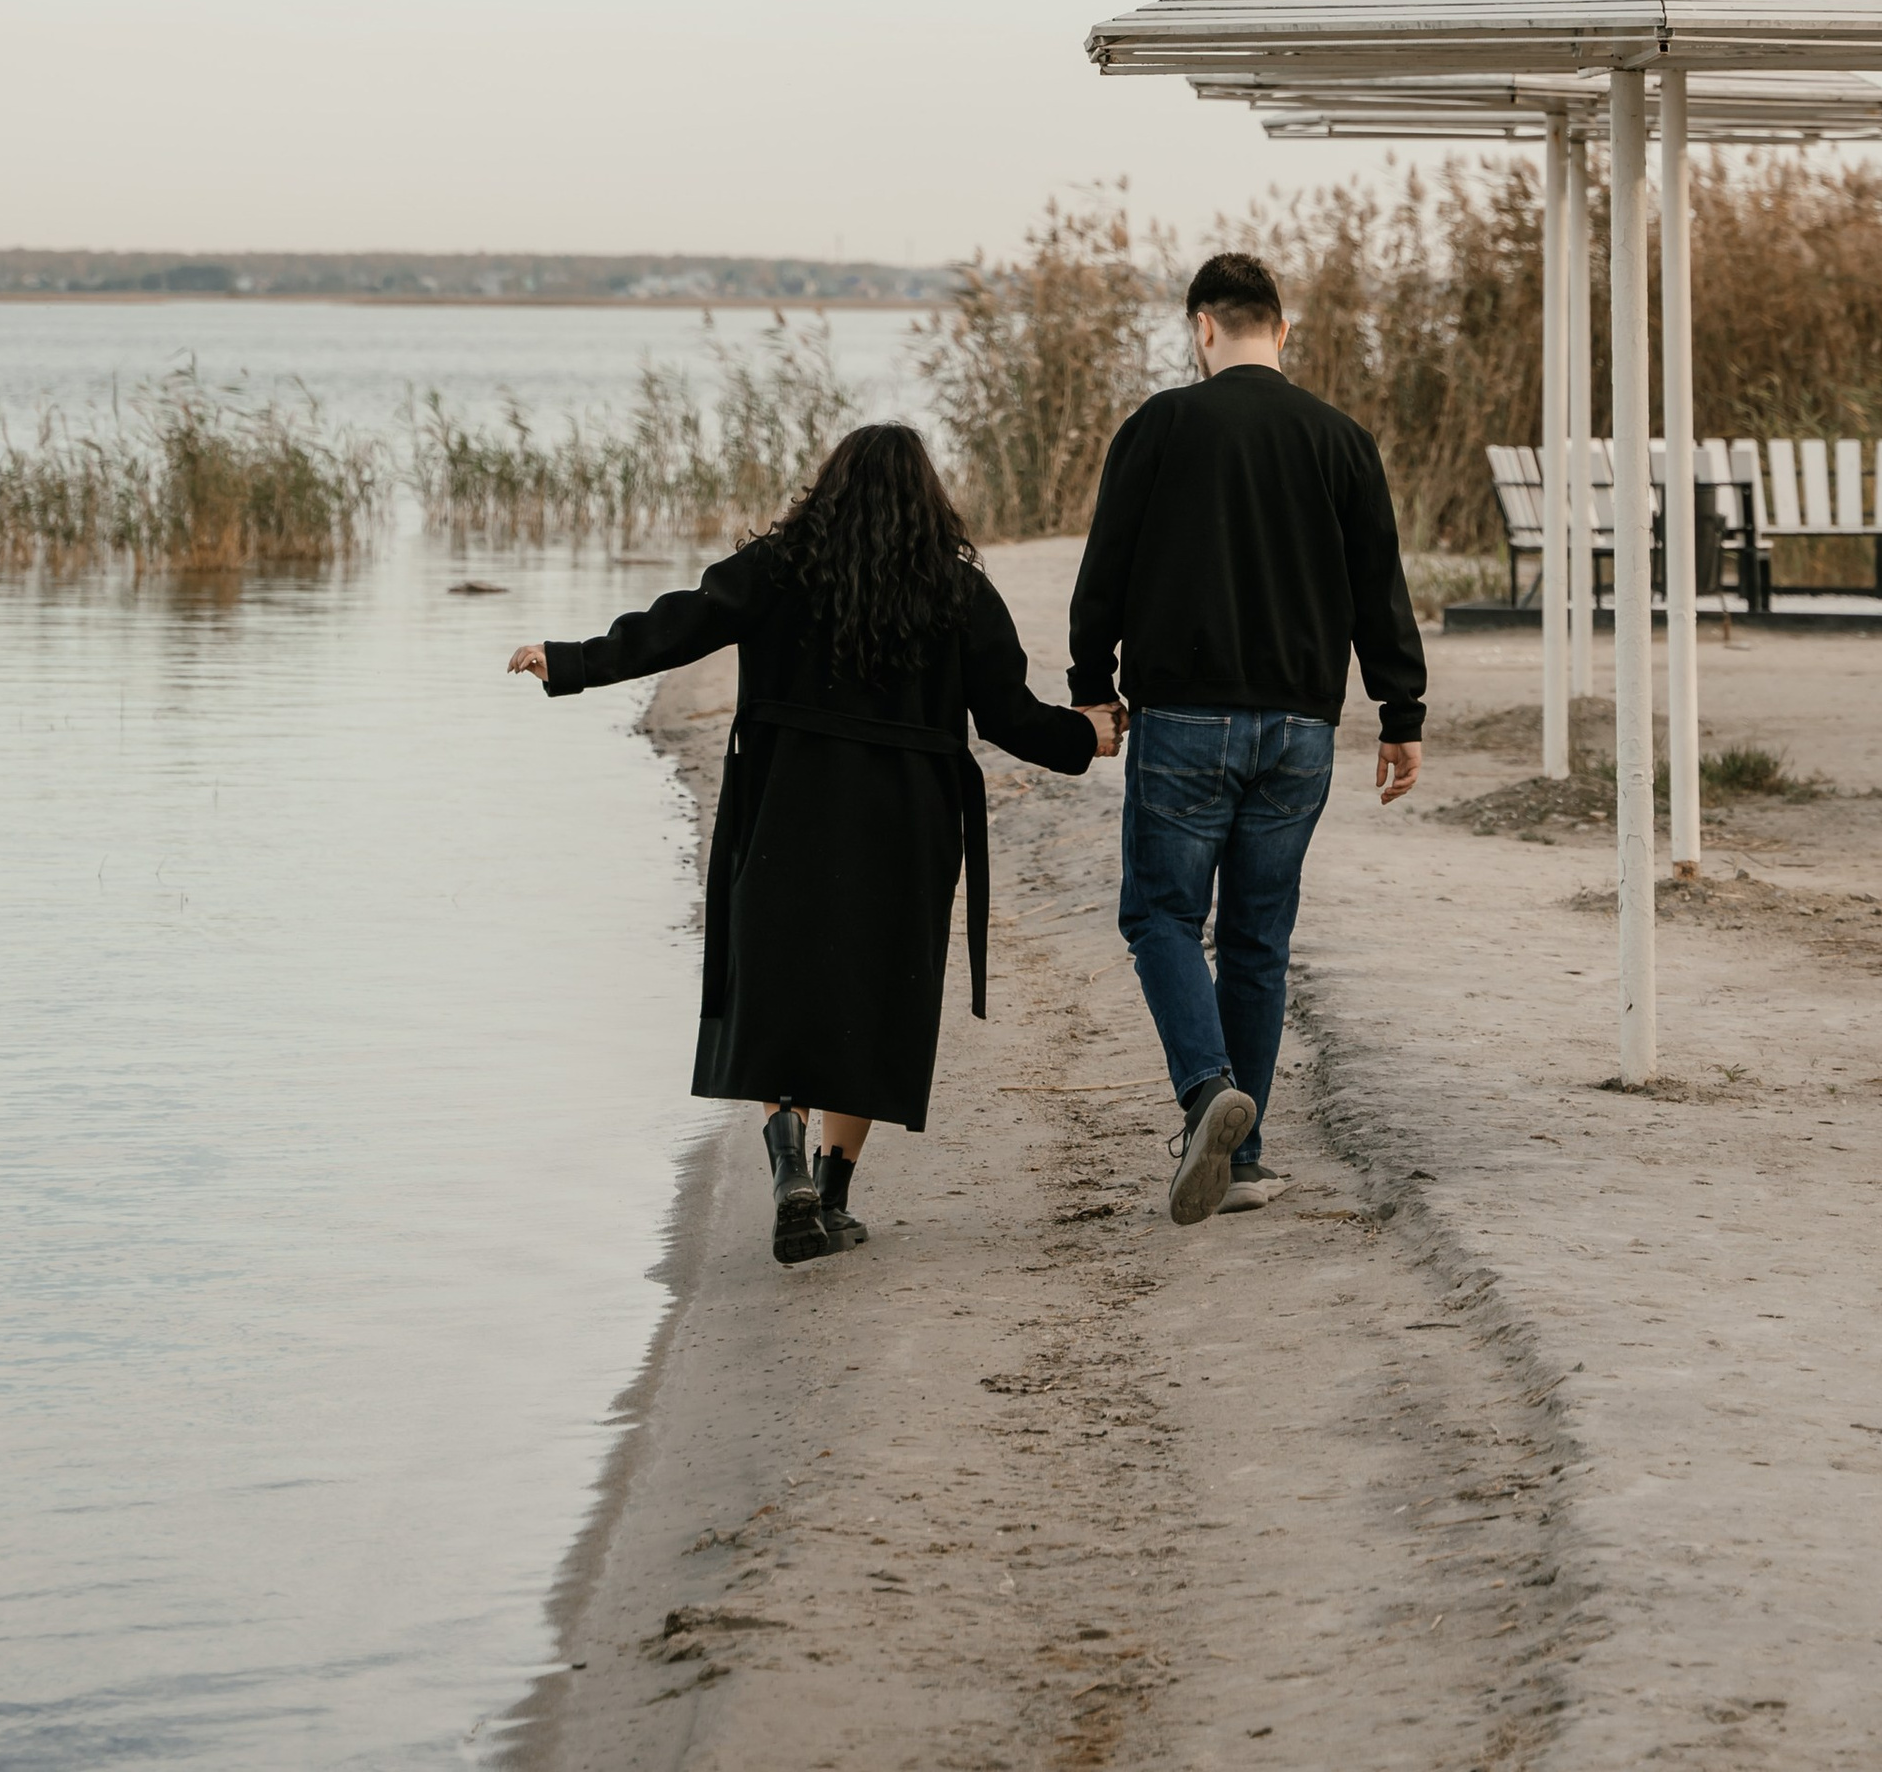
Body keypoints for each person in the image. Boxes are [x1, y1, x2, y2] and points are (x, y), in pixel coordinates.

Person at [512, 419, 1113, 1263]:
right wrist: (1086, 737)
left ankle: (788, 1164)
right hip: (906, 822)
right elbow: (1009, 716)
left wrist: (571, 661)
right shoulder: (957, 590)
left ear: (828, 489)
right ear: (927, 499)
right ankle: (830, 1196)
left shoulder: (777, 570)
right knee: (871, 998)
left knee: (779, 988)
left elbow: (678, 624)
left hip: (785, 805)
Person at [1069, 250, 1425, 1228]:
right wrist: (1401, 716)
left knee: (1159, 919)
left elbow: (1105, 570)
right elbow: (1377, 589)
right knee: (1258, 942)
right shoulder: (1339, 439)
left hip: (1183, 719)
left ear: (1200, 329)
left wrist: (1089, 691)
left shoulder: (1160, 426)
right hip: (1302, 727)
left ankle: (1202, 1096)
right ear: (1282, 327)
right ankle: (1247, 1159)